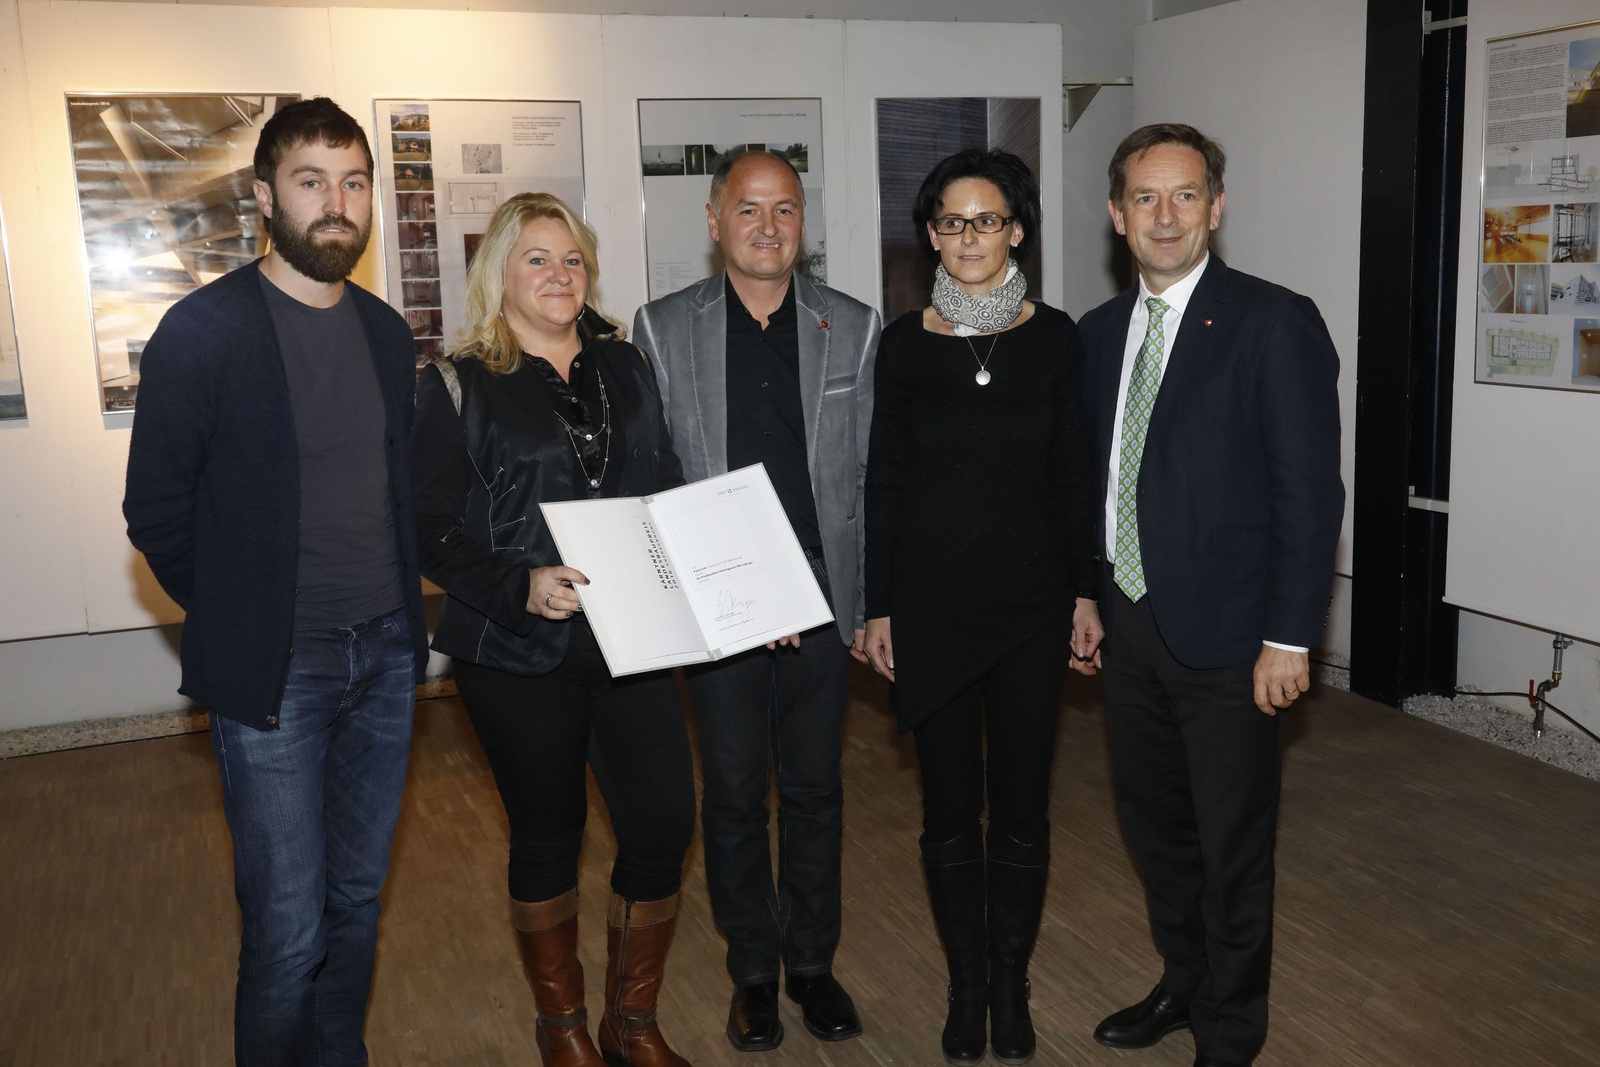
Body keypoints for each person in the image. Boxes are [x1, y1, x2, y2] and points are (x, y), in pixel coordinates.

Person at [123, 97, 430, 1066]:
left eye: (353, 182)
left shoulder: (385, 333)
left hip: (387, 657)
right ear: (264, 196)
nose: (337, 203)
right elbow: (157, 513)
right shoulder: (202, 332)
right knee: (289, 929)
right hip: (277, 671)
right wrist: (244, 614)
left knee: (356, 901)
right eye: (311, 181)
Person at [1078, 124, 1343, 1067]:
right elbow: (1092, 480)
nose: (1166, 215)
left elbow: (1310, 494)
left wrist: (1290, 636)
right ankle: (1183, 983)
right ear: (1117, 215)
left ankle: (1230, 1030)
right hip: (1128, 627)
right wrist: (1084, 595)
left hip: (1235, 641)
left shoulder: (1274, 321)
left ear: (1216, 208)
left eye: (1185, 195)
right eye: (1145, 198)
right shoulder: (1097, 333)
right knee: (1158, 831)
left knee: (1232, 845)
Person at [412, 192, 696, 1067]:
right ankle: (563, 1027)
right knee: (549, 834)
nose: (559, 273)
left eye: (572, 258)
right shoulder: (456, 384)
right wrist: (519, 584)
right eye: (536, 258)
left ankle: (631, 1022)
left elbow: (664, 485)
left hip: (633, 638)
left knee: (662, 825)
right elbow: (428, 530)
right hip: (517, 652)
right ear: (497, 274)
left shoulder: (626, 364)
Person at [632, 150, 879, 1053]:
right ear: (713, 221)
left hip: (820, 596)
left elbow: (869, 473)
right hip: (720, 601)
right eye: (748, 209)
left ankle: (811, 964)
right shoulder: (661, 327)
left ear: (803, 222)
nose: (767, 227)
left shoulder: (853, 325)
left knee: (815, 790)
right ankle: (754, 976)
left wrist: (871, 603)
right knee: (735, 794)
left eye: (785, 209)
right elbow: (655, 472)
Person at [859, 149, 1102, 1067]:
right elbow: (885, 480)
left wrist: (1086, 589)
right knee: (950, 809)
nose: (970, 237)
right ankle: (966, 987)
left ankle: (1010, 982)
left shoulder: (1057, 338)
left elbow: (1073, 473)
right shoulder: (903, 344)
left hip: (1034, 607)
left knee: (1024, 808)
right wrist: (879, 606)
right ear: (931, 235)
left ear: (1017, 230)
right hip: (932, 610)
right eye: (953, 222)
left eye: (988, 219)